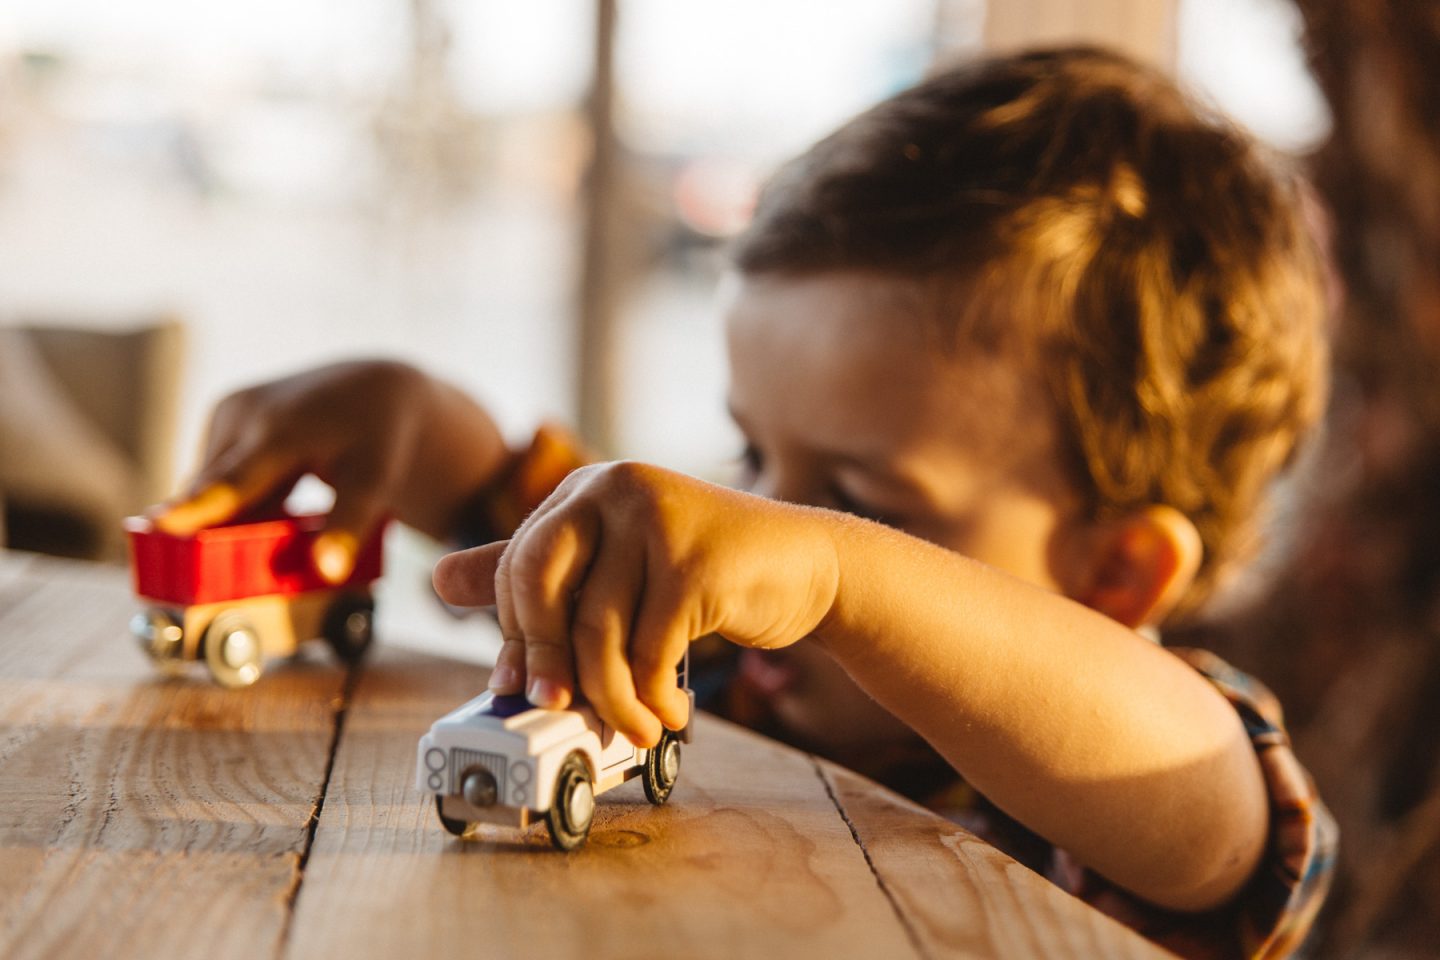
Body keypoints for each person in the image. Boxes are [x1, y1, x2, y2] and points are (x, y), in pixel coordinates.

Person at [154, 47, 1336, 960]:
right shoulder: (725, 661)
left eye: (865, 503)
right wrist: (405, 414)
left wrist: (840, 577)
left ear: (1115, 578)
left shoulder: (1137, 765)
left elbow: (1210, 809)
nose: (771, 521)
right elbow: (496, 491)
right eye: (753, 452)